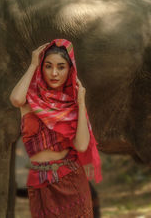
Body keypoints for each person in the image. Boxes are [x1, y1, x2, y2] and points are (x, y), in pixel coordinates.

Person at [10, 39, 102, 217]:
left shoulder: (73, 106)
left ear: (70, 70)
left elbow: (82, 146)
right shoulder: (31, 101)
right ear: (41, 68)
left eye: (61, 67)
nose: (54, 73)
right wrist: (32, 64)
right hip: (40, 181)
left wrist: (81, 103)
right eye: (48, 66)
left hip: (71, 182)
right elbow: (15, 99)